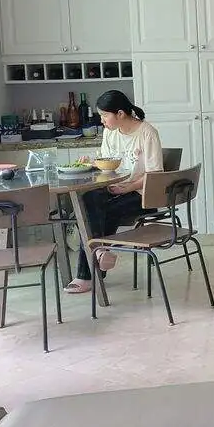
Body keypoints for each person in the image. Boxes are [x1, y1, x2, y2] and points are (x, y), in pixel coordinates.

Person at [63, 90, 164, 294]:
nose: (101, 120)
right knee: (88, 199)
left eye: (104, 115)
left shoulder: (147, 133)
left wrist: (128, 187)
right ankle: (100, 253)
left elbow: (155, 174)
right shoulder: (110, 132)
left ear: (120, 114)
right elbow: (106, 164)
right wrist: (92, 163)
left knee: (96, 213)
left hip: (141, 195)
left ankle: (87, 274)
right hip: (114, 190)